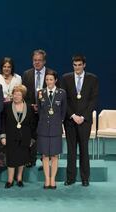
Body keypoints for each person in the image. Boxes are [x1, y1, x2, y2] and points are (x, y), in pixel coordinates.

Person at [61, 55, 99, 187]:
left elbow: (93, 100)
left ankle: (85, 178)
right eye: (75, 65)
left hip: (85, 121)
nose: (77, 67)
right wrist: (72, 115)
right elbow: (64, 100)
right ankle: (70, 178)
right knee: (71, 150)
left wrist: (83, 116)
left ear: (84, 65)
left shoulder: (92, 79)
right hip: (70, 120)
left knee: (84, 149)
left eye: (79, 65)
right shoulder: (66, 78)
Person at [22, 49, 57, 167]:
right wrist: (30, 106)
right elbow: (24, 94)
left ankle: (45, 161)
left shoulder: (51, 73)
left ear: (44, 61)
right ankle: (30, 160)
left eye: (39, 60)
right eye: (34, 60)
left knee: (44, 137)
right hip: (30, 112)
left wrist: (43, 106)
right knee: (30, 136)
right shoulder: (27, 74)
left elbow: (55, 94)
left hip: (46, 113)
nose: (37, 63)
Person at [0, 85, 37, 188]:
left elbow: (33, 124)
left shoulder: (29, 108)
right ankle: (10, 180)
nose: (16, 96)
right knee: (11, 159)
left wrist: (32, 139)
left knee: (22, 159)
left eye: (18, 94)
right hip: (10, 136)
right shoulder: (6, 106)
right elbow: (2, 122)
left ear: (23, 96)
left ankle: (19, 179)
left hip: (25, 137)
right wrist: (3, 137)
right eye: (14, 94)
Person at [37, 70, 67, 189]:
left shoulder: (61, 93)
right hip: (43, 127)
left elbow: (63, 111)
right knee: (45, 155)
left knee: (54, 155)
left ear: (55, 80)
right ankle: (46, 179)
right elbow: (39, 110)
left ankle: (53, 179)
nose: (48, 81)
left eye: (51, 79)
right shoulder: (40, 93)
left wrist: (57, 122)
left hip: (55, 128)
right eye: (47, 79)